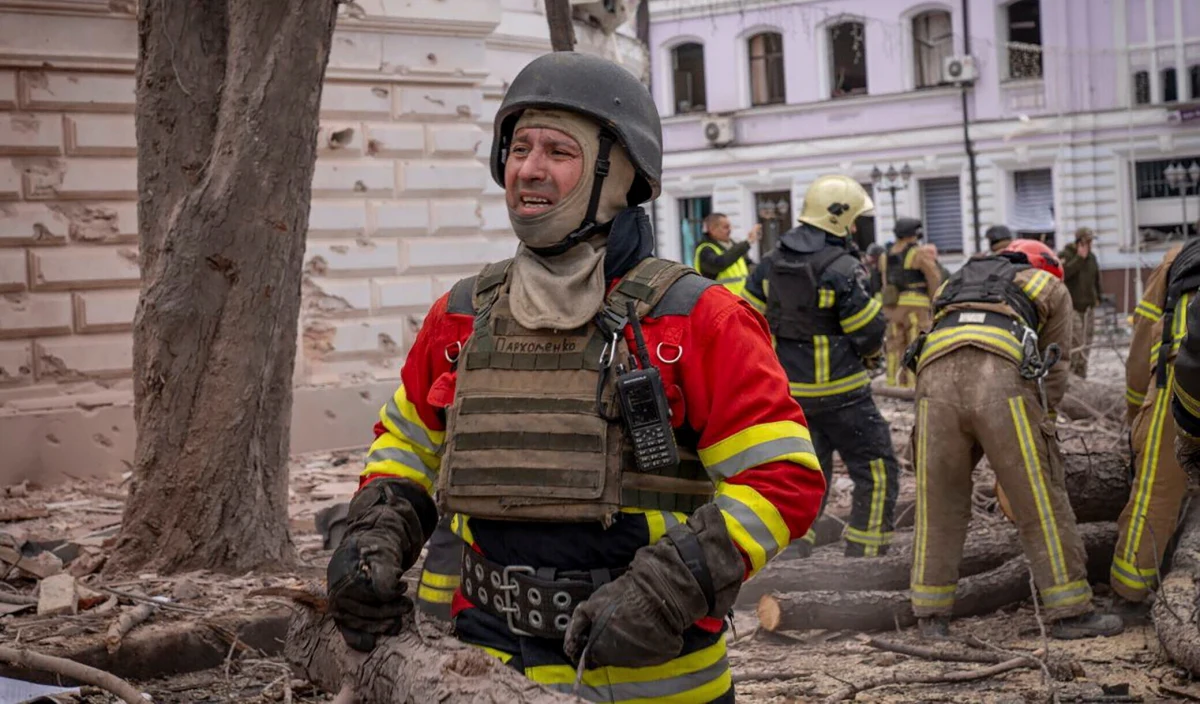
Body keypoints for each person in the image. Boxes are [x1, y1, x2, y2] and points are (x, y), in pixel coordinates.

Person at [324, 52, 826, 703]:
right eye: (519, 147)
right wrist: (375, 530)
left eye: (558, 151)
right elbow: (408, 444)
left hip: (650, 673)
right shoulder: (462, 314)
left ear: (621, 176)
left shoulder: (697, 319)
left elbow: (782, 479)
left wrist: (666, 589)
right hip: (482, 669)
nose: (529, 169)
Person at [905, 238, 1124, 640]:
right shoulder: (1050, 287)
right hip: (999, 383)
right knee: (1039, 500)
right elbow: (1055, 366)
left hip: (933, 383)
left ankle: (930, 615)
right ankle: (1070, 610)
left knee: (938, 501)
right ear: (1047, 266)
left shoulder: (952, 285)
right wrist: (1045, 424)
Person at [742, 176, 899, 558]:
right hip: (843, 392)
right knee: (876, 468)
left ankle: (796, 550)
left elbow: (747, 320)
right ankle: (866, 553)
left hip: (792, 395)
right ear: (840, 219)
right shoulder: (843, 267)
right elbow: (867, 331)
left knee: (807, 474)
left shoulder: (770, 262)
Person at [1115, 238, 1200, 608]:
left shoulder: (1174, 259)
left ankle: (1130, 594)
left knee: (1156, 493)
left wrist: (1137, 417)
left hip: (1178, 377)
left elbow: (1139, 350)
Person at [880, 217, 941, 389]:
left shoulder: (885, 256)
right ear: (914, 234)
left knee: (894, 344)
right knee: (915, 343)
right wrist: (933, 300)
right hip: (916, 307)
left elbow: (885, 283)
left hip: (893, 307)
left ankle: (894, 382)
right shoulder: (919, 253)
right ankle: (914, 384)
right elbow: (934, 277)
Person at [1059, 228, 1103, 379]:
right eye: (1087, 241)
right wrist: (1079, 258)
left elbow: (1096, 279)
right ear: (1079, 241)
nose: (1090, 244)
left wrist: (1098, 296)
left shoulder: (1092, 258)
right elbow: (1063, 274)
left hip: (1088, 306)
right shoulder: (1065, 255)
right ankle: (1072, 375)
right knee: (1076, 342)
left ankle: (1082, 374)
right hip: (1072, 306)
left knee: (1087, 341)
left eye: (1091, 241)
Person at [692, 213, 761, 295]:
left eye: (730, 226)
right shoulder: (705, 250)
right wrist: (747, 242)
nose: (730, 230)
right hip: (719, 301)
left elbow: (748, 265)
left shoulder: (733, 246)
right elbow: (720, 263)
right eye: (726, 227)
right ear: (712, 229)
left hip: (741, 300)